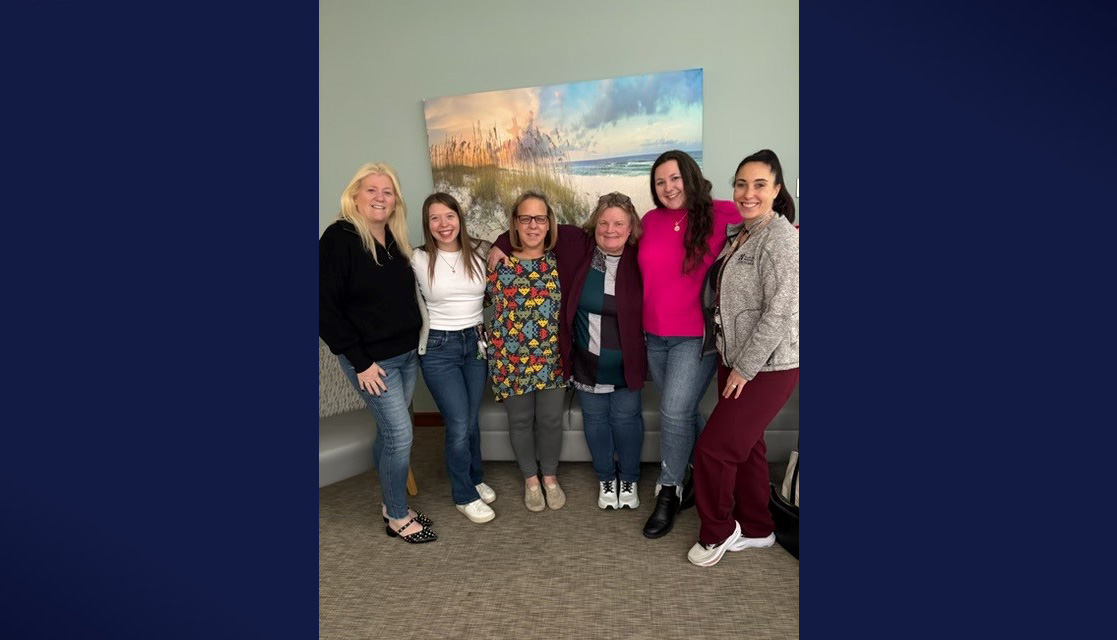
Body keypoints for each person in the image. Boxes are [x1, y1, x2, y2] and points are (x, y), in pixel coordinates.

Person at [490, 193, 648, 510]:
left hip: (624, 362)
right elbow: (533, 229)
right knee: (595, 421)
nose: (610, 229)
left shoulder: (641, 257)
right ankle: (603, 478)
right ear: (594, 225)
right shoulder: (580, 246)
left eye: (619, 223)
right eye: (603, 222)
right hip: (581, 361)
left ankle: (628, 478)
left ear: (631, 228)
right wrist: (501, 243)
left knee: (626, 420)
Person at [686, 149, 799, 567]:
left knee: (713, 451)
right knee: (748, 446)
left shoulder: (782, 239)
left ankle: (718, 530)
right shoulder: (743, 233)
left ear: (777, 189)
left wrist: (745, 370)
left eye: (759, 184)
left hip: (767, 366)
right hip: (733, 358)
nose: (747, 193)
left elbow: (781, 311)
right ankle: (757, 527)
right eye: (740, 184)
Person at [319, 162, 437, 544]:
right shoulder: (339, 237)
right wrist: (361, 362)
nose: (380, 198)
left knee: (392, 434)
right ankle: (396, 516)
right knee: (400, 436)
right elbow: (323, 307)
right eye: (371, 190)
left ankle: (392, 500)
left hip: (404, 355)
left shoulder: (393, 237)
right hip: (373, 362)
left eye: (387, 192)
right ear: (355, 195)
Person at [638, 150, 741, 539]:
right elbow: (597, 232)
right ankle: (702, 474)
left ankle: (669, 489)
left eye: (675, 178)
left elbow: (773, 223)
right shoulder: (648, 221)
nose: (668, 188)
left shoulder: (722, 213)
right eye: (660, 182)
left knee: (674, 410)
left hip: (696, 338)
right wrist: (500, 239)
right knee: (680, 413)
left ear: (691, 176)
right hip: (654, 336)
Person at [410, 193, 498, 524]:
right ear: (426, 223)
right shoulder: (416, 258)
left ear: (459, 218)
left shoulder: (479, 251)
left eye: (449, 216)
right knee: (459, 423)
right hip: (438, 348)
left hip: (475, 343)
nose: (443, 224)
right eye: (435, 218)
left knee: (470, 419)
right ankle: (463, 494)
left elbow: (506, 246)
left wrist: (501, 247)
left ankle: (475, 478)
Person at [485, 191, 569, 512]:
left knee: (550, 420)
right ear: (515, 224)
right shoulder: (496, 263)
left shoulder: (561, 262)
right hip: (511, 359)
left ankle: (549, 477)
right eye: (525, 218)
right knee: (520, 422)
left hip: (551, 358)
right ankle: (530, 480)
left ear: (548, 224)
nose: (533, 225)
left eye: (540, 218)